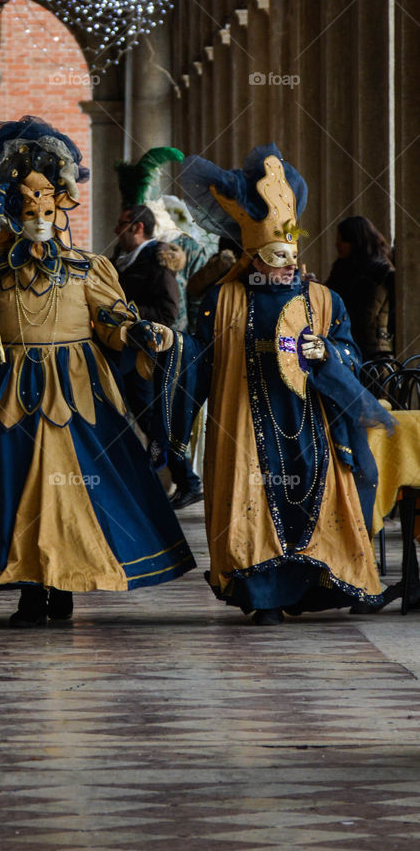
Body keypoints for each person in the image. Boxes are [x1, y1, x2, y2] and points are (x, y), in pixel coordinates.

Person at [0, 116, 195, 625]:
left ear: (61, 208)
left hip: (75, 391)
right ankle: (29, 585)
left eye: (47, 207)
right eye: (27, 209)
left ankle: (62, 584)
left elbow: (110, 317)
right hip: (4, 393)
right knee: (11, 487)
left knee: (68, 491)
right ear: (9, 211)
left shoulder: (89, 268)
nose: (38, 217)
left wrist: (137, 332)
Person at [135, 143, 392, 626]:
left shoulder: (324, 298)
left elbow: (351, 353)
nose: (286, 268)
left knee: (314, 497)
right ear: (254, 258)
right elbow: (199, 357)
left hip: (309, 419)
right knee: (254, 501)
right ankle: (265, 594)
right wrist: (171, 345)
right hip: (246, 424)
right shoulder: (225, 300)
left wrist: (328, 353)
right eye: (276, 259)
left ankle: (311, 586)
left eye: (291, 257)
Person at [113, 149, 203, 508]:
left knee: (154, 420)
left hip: (148, 355)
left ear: (137, 227)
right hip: (126, 350)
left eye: (121, 225)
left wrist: (129, 313)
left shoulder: (156, 261)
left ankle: (185, 479)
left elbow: (167, 310)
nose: (116, 231)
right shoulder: (123, 259)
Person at [326, 216, 395, 361]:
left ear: (356, 241)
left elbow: (364, 316)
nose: (337, 244)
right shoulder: (343, 268)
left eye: (342, 240)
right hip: (348, 347)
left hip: (372, 355)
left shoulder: (378, 271)